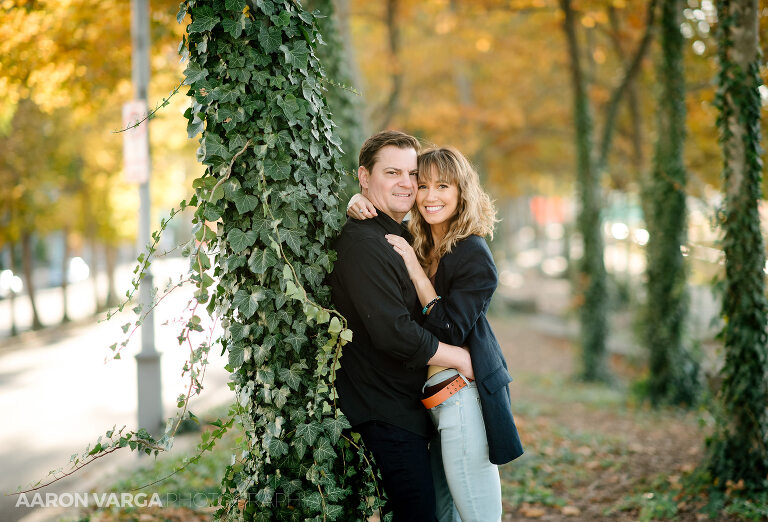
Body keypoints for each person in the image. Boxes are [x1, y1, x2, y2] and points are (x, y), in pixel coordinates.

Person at [348, 146, 524, 521]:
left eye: (442, 186)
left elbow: (447, 328)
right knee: (446, 515)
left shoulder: (471, 252)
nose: (428, 196)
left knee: (476, 514)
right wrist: (357, 200)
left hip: (460, 393)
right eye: (422, 184)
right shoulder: (421, 240)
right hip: (430, 402)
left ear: (462, 192)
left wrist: (414, 270)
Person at [328, 131, 476, 521]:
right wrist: (458, 356)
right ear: (364, 176)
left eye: (412, 174)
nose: (407, 184)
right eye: (392, 172)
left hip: (413, 406)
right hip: (387, 412)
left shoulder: (401, 234)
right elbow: (392, 331)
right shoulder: (364, 244)